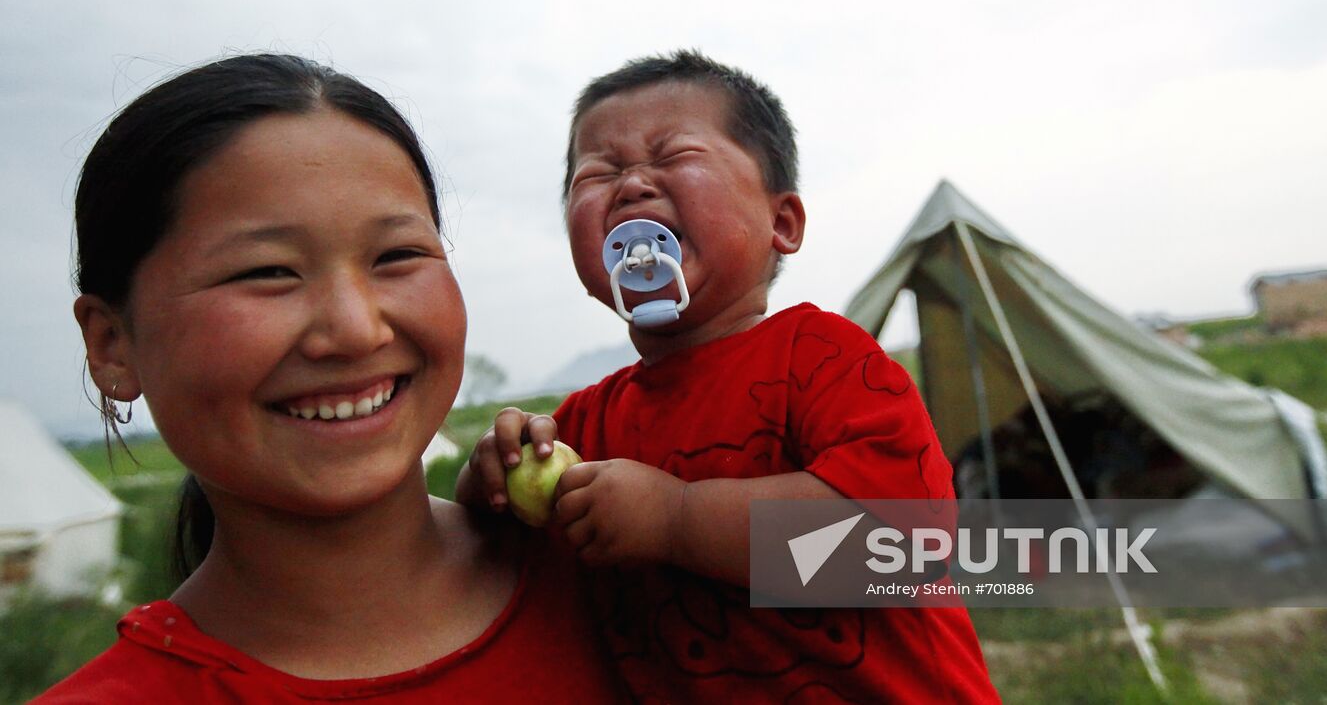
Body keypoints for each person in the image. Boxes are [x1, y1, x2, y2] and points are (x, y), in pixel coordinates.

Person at [41, 55, 621, 702]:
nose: (355, 329)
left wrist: (686, 523)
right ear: (111, 344)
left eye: (397, 255)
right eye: (267, 271)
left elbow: (763, 571)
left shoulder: (606, 523)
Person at [462, 52, 1000, 702]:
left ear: (782, 222)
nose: (631, 185)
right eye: (597, 172)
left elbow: (901, 544)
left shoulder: (825, 359)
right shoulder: (581, 428)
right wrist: (488, 480)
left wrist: (675, 519)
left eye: (672, 156)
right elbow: (485, 563)